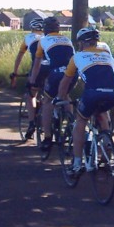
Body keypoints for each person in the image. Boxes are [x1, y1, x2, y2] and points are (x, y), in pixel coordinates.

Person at [56, 27, 114, 176]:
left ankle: (77, 164)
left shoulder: (77, 57)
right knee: (103, 114)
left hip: (92, 93)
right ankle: (107, 153)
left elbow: (65, 82)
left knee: (80, 122)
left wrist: (60, 98)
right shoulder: (107, 55)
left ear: (82, 43)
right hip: (113, 93)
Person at [29, 16, 75, 153]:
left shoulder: (42, 41)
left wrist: (32, 81)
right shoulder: (67, 39)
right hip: (72, 74)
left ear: (45, 29)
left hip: (57, 73)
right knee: (65, 95)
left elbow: (37, 65)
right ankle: (70, 125)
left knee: (47, 101)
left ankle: (48, 137)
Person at [10, 18, 48, 141]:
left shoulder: (29, 38)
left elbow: (19, 57)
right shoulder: (49, 38)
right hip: (52, 68)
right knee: (50, 95)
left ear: (32, 29)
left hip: (37, 69)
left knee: (31, 95)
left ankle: (32, 123)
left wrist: (15, 73)